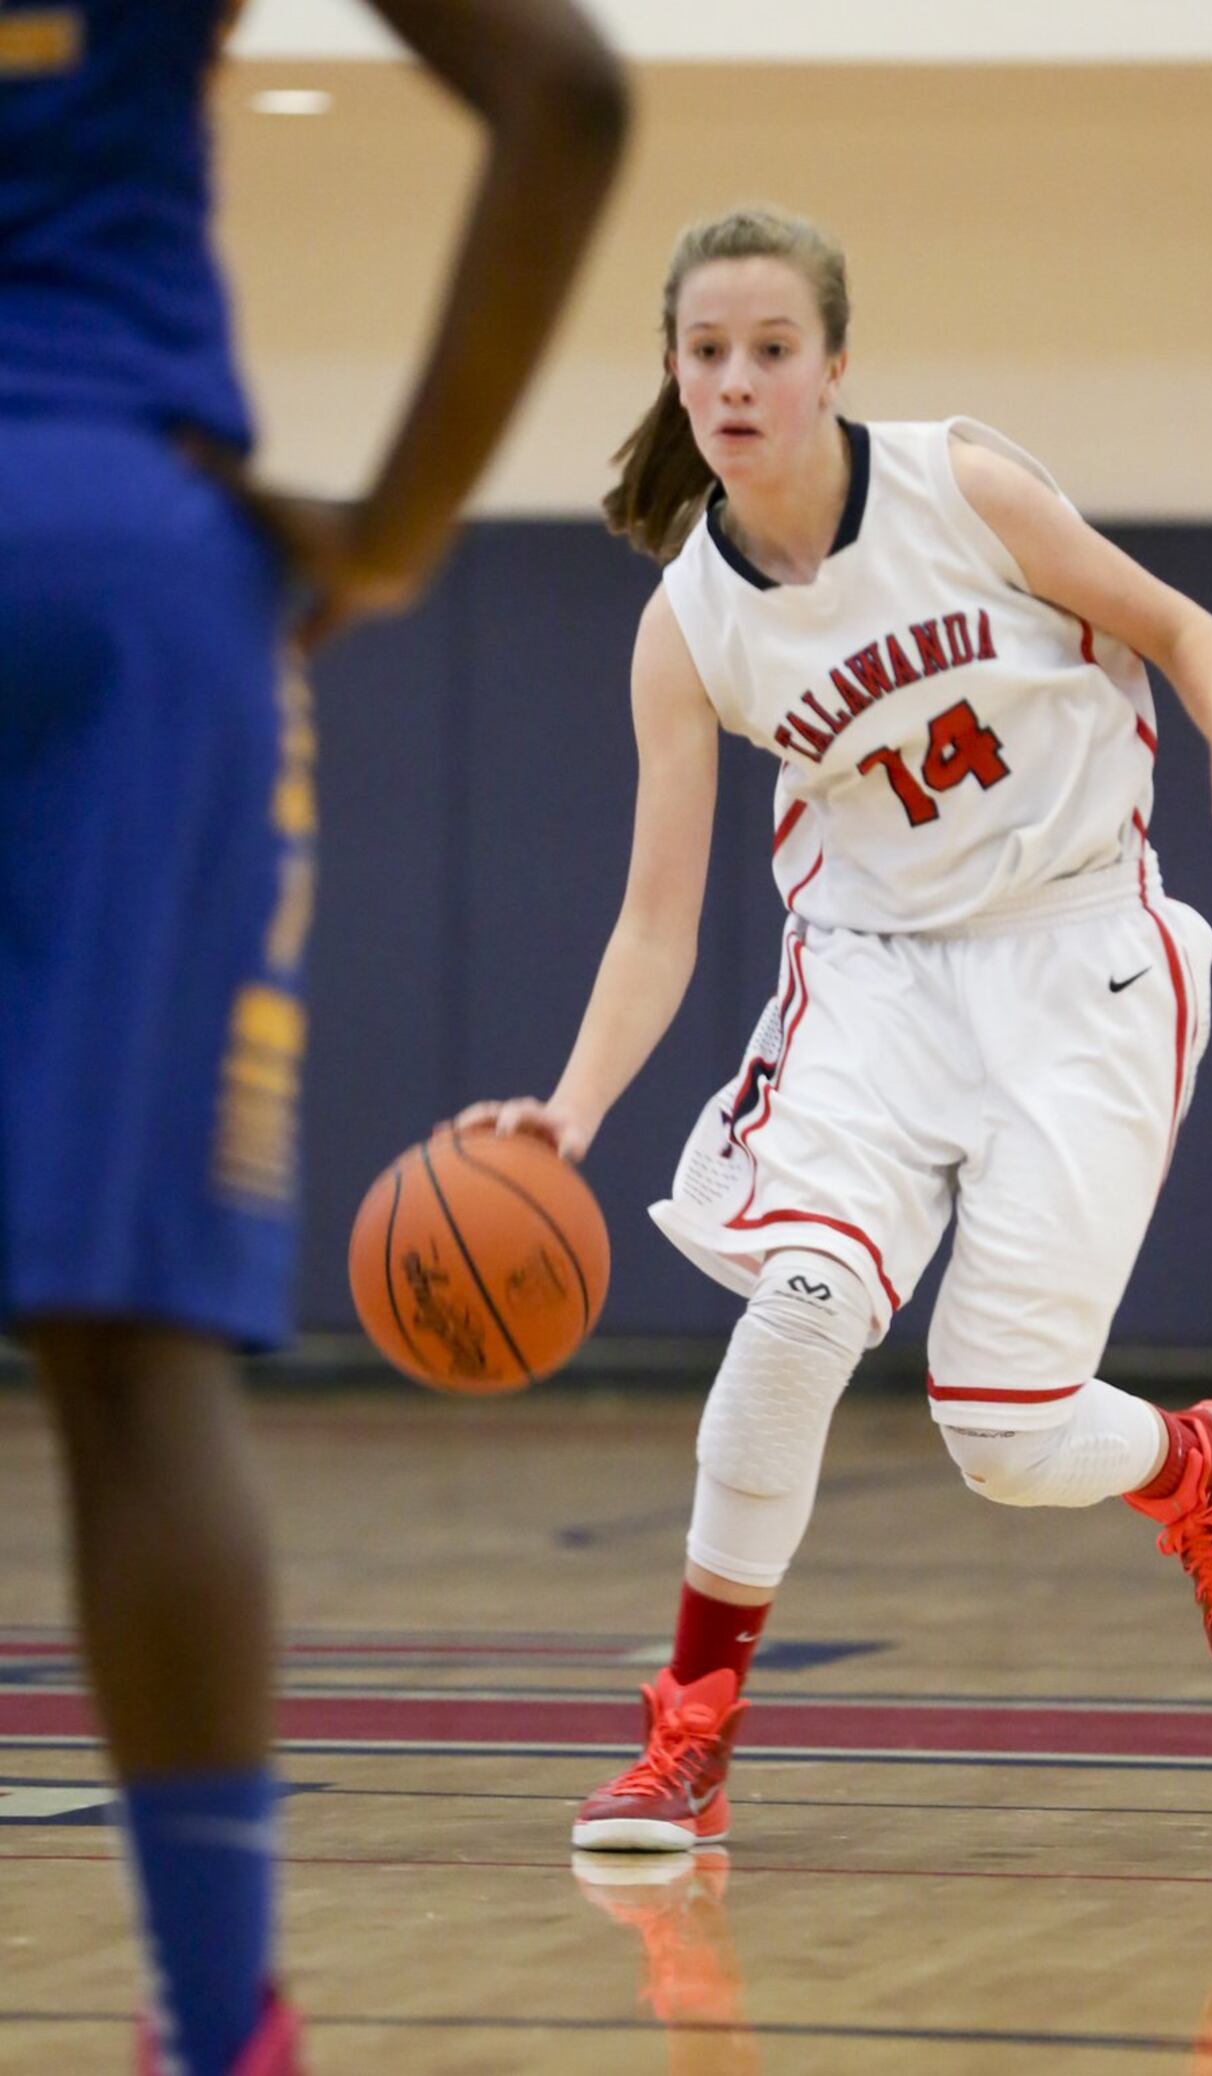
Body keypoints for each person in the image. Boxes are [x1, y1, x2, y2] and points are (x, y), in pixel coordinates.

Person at [460, 206, 1212, 1855]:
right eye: (707, 352)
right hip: (871, 972)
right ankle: (692, 1733)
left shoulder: (960, 484)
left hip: (1078, 950)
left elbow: (1186, 631)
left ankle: (1197, 1468)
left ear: (834, 367)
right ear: (674, 371)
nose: (737, 380)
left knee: (1002, 1435)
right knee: (795, 1313)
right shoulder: (688, 625)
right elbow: (657, 919)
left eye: (772, 350)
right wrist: (568, 1114)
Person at [0, 3, 626, 2070]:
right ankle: (218, 2032)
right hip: (118, 555)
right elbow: (569, 92)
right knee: (131, 1369)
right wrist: (394, 529)